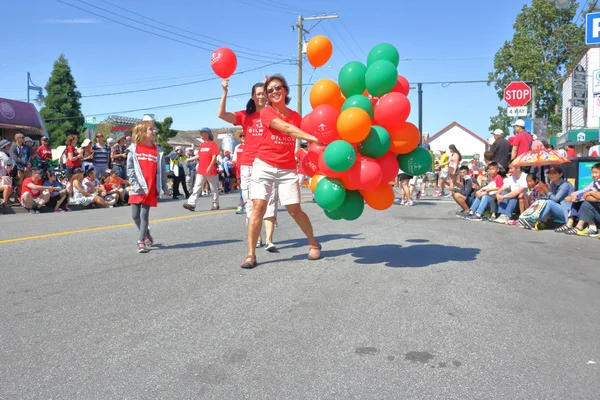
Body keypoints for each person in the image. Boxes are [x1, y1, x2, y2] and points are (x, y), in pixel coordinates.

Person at [240, 74, 321, 268]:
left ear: (285, 90)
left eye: (278, 88)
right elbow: (286, 129)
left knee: (294, 210)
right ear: (267, 97)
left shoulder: (295, 116)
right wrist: (311, 137)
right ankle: (251, 254)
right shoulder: (267, 112)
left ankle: (313, 242)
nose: (274, 92)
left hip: (286, 169)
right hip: (264, 165)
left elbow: (304, 132)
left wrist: (319, 139)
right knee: (258, 207)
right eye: (270, 90)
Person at [217, 79, 278, 251]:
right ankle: (256, 237)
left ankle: (270, 240)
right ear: (252, 96)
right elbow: (221, 114)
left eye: (263, 93)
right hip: (249, 165)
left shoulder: (273, 113)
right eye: (258, 93)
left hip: (268, 163)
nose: (261, 96)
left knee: (270, 201)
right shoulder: (245, 115)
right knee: (251, 202)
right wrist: (224, 91)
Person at [126, 121, 169, 253]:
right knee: (135, 215)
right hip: (137, 186)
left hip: (150, 187)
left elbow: (161, 171)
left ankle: (141, 242)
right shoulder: (133, 149)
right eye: (151, 129)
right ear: (142, 132)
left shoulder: (158, 151)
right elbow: (130, 169)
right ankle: (146, 233)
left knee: (144, 215)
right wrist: (134, 184)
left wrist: (164, 187)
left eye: (154, 129)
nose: (154, 131)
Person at [184, 128, 220, 211]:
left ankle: (215, 204)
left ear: (207, 134)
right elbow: (199, 155)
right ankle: (191, 204)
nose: (201, 135)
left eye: (202, 133)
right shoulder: (202, 145)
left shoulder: (212, 144)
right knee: (197, 187)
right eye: (200, 133)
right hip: (201, 170)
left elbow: (214, 156)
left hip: (210, 170)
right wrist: (190, 159)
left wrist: (210, 166)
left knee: (213, 188)